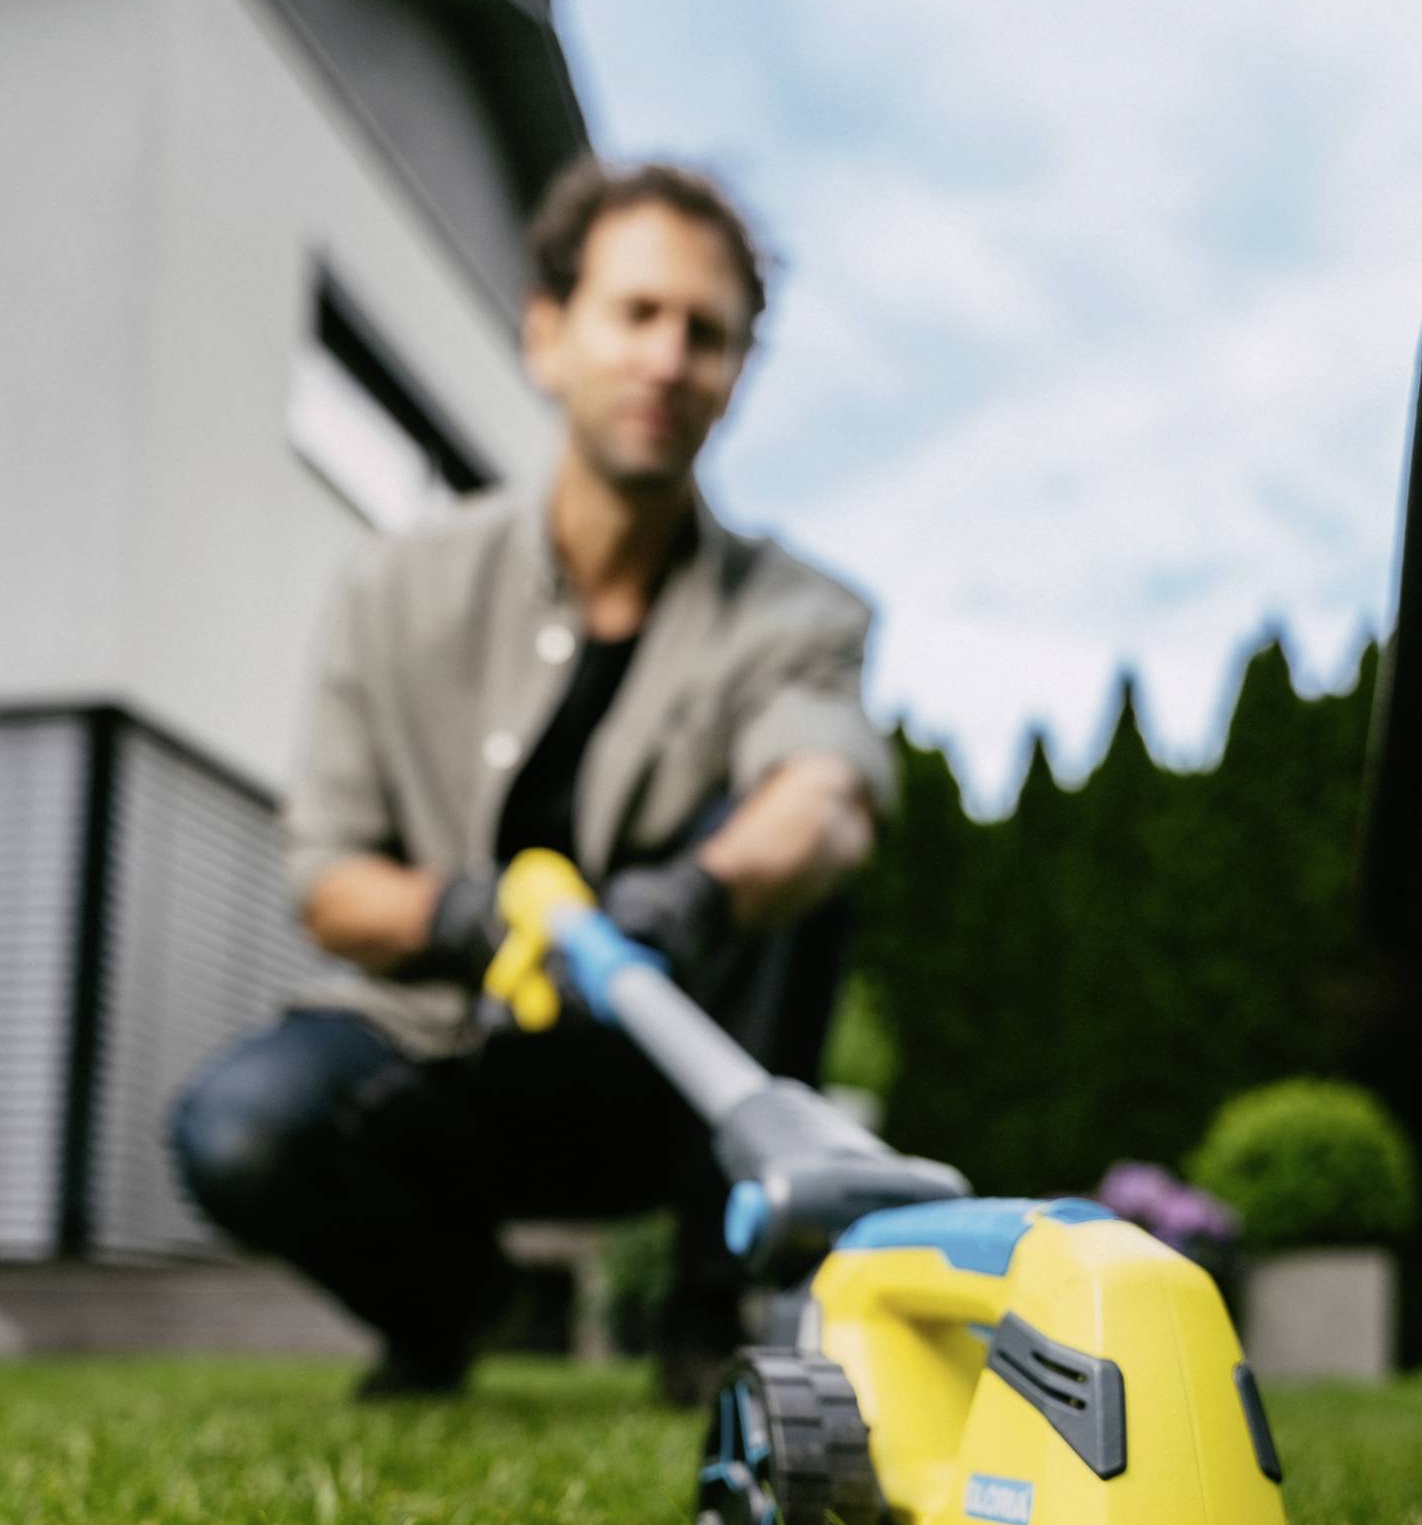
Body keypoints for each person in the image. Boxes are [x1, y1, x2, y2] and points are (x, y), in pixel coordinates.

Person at [170, 156, 890, 1400]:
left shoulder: (799, 612)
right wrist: (470, 914)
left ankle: (708, 1315)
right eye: (636, 314)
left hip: (664, 1079)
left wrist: (687, 903)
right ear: (549, 334)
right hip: (447, 1060)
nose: (667, 358)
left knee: (800, 871)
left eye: (706, 334)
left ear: (734, 376)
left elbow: (822, 799)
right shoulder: (391, 588)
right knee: (240, 1130)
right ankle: (455, 1302)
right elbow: (328, 881)